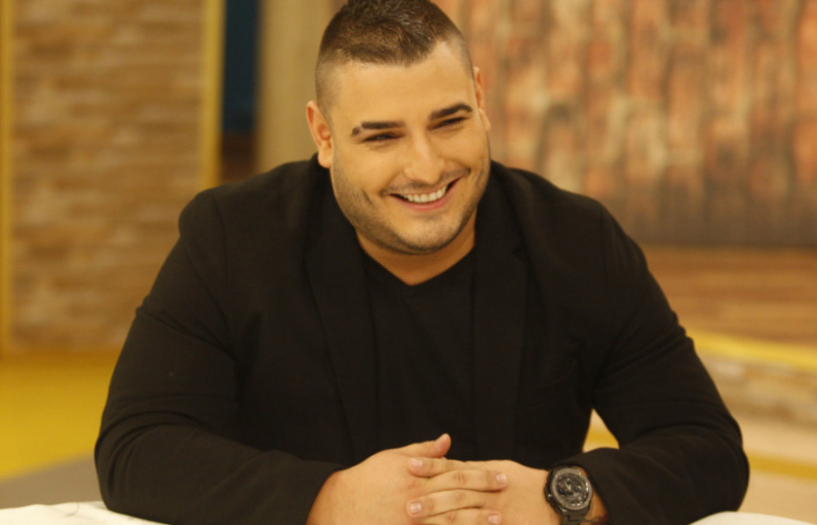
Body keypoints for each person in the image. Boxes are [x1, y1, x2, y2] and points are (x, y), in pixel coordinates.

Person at [95, 1, 749, 524]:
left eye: (448, 122)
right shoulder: (232, 237)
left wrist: (562, 495)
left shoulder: (577, 241)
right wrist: (330, 501)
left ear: (480, 98)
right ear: (324, 135)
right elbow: (137, 447)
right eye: (382, 136)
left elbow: (707, 447)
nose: (427, 168)